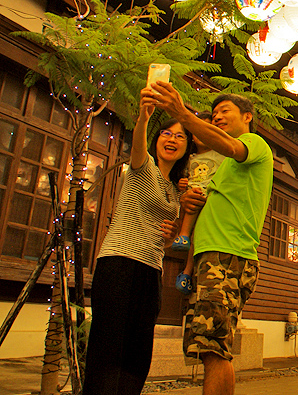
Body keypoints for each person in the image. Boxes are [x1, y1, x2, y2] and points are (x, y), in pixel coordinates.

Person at [147, 84, 273, 395]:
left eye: (224, 111)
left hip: (227, 255)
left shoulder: (253, 144)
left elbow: (230, 147)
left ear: (247, 116)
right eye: (214, 113)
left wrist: (180, 113)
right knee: (209, 348)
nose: (216, 116)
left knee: (213, 348)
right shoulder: (221, 167)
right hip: (209, 257)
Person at [83, 90, 192, 395]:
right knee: (109, 345)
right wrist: (144, 118)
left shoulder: (174, 189)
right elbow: (138, 147)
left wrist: (171, 236)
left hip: (151, 270)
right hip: (119, 262)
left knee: (138, 350)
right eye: (167, 134)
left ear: (187, 147)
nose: (172, 139)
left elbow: (170, 239)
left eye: (180, 136)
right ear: (157, 140)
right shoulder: (142, 167)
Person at [173, 112, 226, 295]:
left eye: (207, 130)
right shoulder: (190, 159)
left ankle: (188, 271)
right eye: (198, 131)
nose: (202, 134)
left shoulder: (221, 154)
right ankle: (183, 236)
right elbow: (183, 179)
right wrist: (182, 185)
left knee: (199, 238)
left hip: (211, 198)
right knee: (192, 210)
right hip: (194, 196)